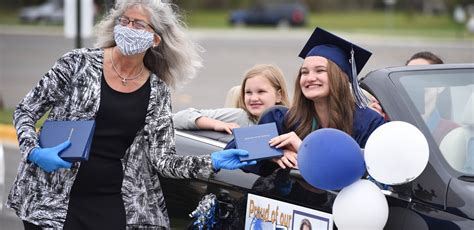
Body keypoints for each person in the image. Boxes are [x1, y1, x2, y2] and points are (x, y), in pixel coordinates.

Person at [7, 1, 254, 229]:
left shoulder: (157, 90)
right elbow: (26, 110)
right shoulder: (77, 63)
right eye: (123, 21)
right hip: (52, 198)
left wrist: (213, 161)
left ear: (155, 39)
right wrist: (34, 152)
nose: (128, 27)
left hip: (111, 200)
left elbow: (163, 160)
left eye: (137, 23)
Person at [252, 27, 386, 170]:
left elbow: (365, 170)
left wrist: (304, 150)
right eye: (304, 72)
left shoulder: (367, 123)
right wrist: (276, 153)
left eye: (320, 70)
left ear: (340, 77)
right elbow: (244, 145)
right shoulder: (288, 119)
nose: (310, 78)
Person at [173, 64, 290, 134]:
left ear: (279, 95)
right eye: (248, 92)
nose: (254, 98)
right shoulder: (240, 117)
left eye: (261, 92)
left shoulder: (290, 121)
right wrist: (215, 124)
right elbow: (177, 118)